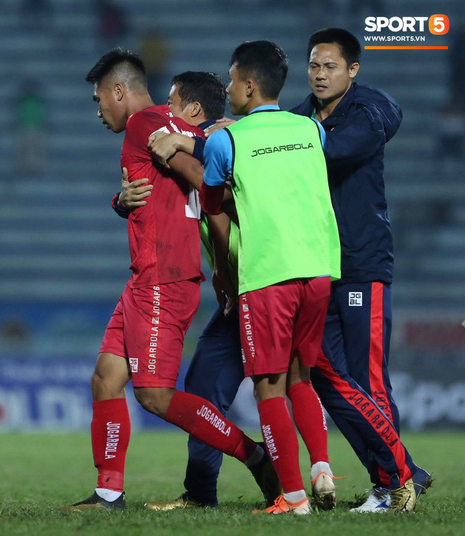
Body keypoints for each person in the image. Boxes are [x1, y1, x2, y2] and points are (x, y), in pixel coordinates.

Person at [62, 49, 275, 512]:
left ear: (119, 91)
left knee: (155, 395)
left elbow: (202, 179)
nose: (98, 111)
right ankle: (108, 493)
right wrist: (121, 202)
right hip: (146, 277)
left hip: (163, 277)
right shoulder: (176, 125)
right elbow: (170, 186)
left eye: (99, 100)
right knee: (106, 377)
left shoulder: (145, 123)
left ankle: (257, 457)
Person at [290, 27, 431, 514]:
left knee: (368, 380)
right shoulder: (301, 117)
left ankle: (394, 485)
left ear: (352, 70)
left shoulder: (368, 110)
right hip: (318, 266)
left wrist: (277, 145)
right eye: (314, 65)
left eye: (330, 66)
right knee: (331, 379)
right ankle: (399, 474)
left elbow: (337, 149)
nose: (320, 74)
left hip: (360, 264)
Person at [199, 40, 340, 515]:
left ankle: (294, 497)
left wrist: (223, 271)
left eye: (231, 80)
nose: (227, 89)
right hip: (317, 268)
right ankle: (321, 468)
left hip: (267, 274)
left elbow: (213, 207)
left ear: (249, 85)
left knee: (268, 385)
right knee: (302, 375)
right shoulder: (311, 128)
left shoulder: (226, 141)